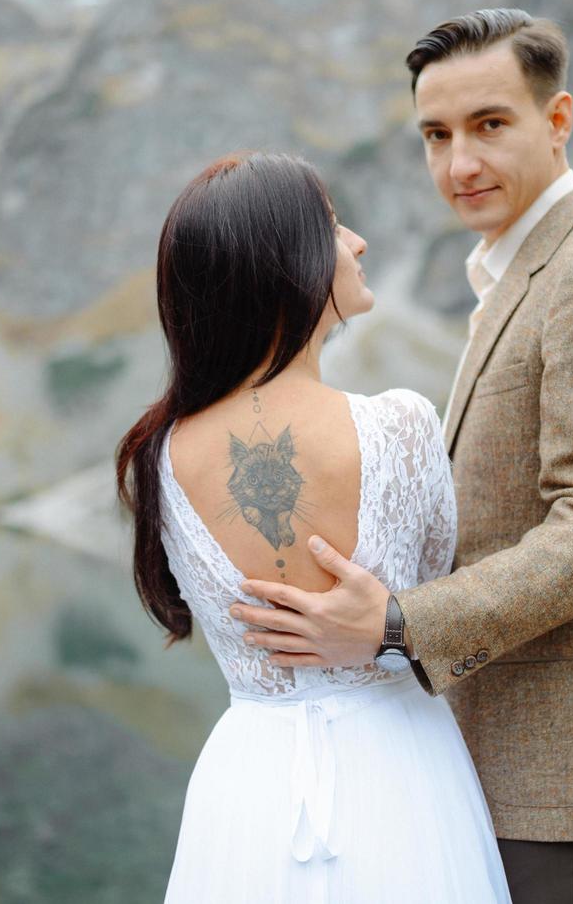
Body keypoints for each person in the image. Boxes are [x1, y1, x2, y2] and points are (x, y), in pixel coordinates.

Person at [232, 9, 573, 903]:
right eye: (437, 135)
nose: (459, 164)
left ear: (558, 120)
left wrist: (397, 625)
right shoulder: (518, 271)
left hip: (571, 768)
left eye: (490, 126)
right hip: (511, 750)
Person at [115, 151, 511, 902]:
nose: (357, 242)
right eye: (332, 227)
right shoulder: (400, 425)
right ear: (285, 265)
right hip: (399, 769)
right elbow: (436, 595)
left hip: (248, 784)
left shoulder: (159, 454)